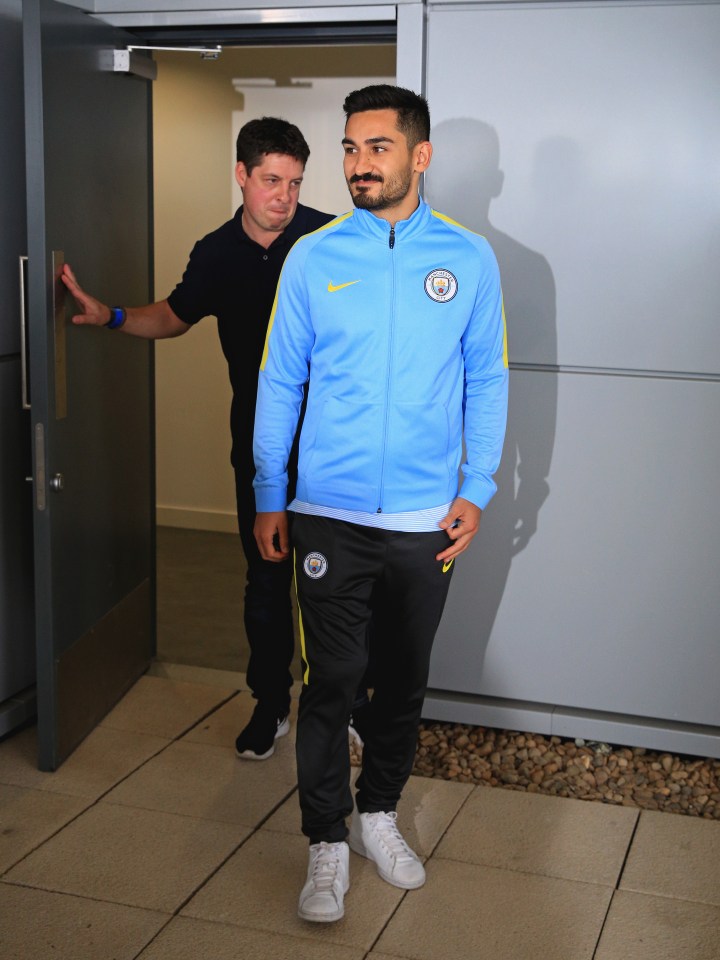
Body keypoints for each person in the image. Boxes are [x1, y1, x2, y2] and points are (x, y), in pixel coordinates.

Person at [253, 85, 508, 923]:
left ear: (419, 156)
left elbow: (486, 380)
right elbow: (281, 380)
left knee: (400, 685)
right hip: (328, 510)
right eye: (351, 149)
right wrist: (269, 491)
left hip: (424, 522)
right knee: (333, 682)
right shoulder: (314, 257)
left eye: (378, 148)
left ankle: (377, 816)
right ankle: (326, 839)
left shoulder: (469, 260)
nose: (359, 164)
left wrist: (476, 488)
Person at [61, 117, 338, 760]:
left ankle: (342, 703)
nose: (284, 197)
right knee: (267, 580)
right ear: (241, 176)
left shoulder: (330, 238)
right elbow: (175, 315)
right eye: (272, 181)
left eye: (295, 183)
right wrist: (113, 317)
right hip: (261, 447)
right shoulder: (215, 252)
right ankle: (271, 706)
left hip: (334, 445)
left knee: (333, 582)